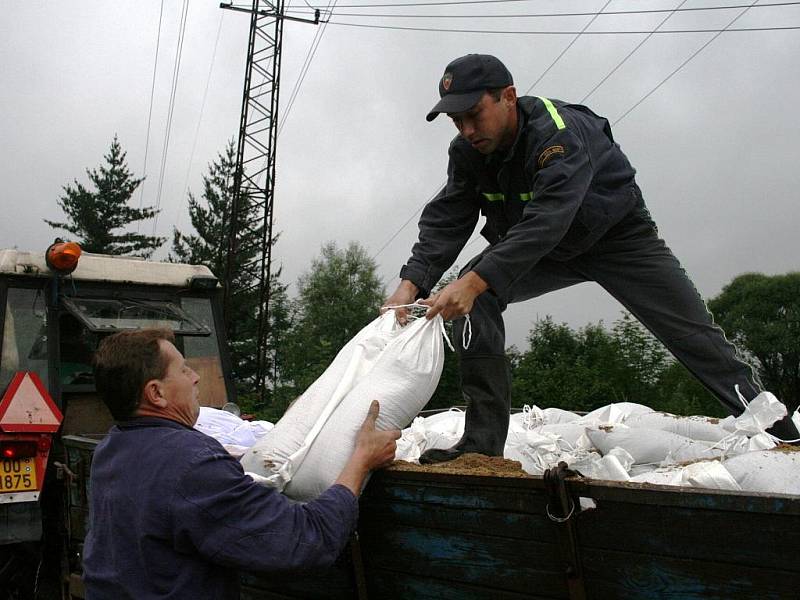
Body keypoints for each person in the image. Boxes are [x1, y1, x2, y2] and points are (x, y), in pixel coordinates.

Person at [383, 53, 799, 464]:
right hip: (543, 249)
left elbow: (550, 216)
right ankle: (481, 447)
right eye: (457, 122)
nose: (468, 130)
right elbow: (449, 216)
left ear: (508, 96)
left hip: (618, 241)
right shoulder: (468, 151)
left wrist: (476, 280)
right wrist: (413, 281)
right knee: (476, 296)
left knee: (695, 338)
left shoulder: (559, 133)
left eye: (474, 114)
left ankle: (784, 439)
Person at [82, 328, 400, 599]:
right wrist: (360, 460)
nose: (194, 378)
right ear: (156, 394)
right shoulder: (191, 462)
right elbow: (305, 542)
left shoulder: (112, 447)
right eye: (183, 370)